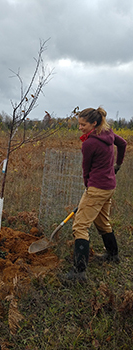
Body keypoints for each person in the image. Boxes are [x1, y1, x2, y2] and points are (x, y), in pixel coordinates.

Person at [66, 107, 127, 282]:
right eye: (79, 124)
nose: (80, 127)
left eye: (83, 124)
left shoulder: (89, 143)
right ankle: (113, 255)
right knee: (102, 221)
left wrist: (88, 187)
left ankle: (79, 273)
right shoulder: (108, 132)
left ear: (94, 123)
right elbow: (122, 144)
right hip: (109, 186)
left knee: (80, 226)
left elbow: (86, 169)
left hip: (97, 188)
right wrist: (118, 165)